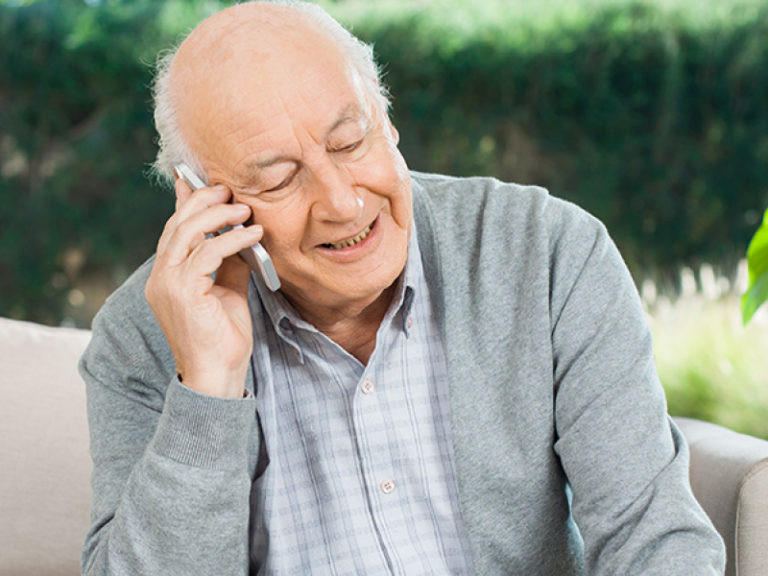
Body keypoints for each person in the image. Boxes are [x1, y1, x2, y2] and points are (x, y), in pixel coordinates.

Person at [79, 1, 725, 574]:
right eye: (278, 180)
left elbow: (654, 540)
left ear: (386, 120)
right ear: (202, 202)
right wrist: (207, 388)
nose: (341, 200)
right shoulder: (138, 342)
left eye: (351, 140)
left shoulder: (549, 253)